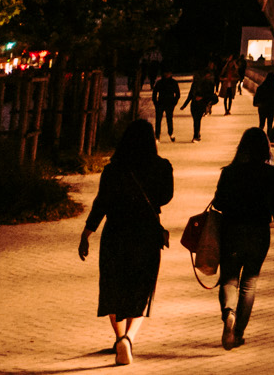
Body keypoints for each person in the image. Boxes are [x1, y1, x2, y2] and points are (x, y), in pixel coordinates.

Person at [79, 119, 175, 365]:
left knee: (114, 287)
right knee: (141, 289)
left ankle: (119, 337)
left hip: (116, 233)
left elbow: (101, 203)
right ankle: (129, 339)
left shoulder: (113, 169)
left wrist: (87, 233)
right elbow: (166, 197)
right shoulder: (162, 167)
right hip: (146, 233)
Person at [210, 127, 274, 349]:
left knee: (229, 278)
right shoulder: (273, 174)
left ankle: (229, 313)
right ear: (265, 149)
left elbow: (218, 203)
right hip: (258, 234)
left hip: (232, 231)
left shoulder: (230, 172)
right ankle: (237, 333)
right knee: (249, 283)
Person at [188, 67, 217, 142]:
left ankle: (196, 135)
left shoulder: (210, 84)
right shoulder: (195, 84)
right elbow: (190, 95)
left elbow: (210, 95)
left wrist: (202, 98)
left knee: (197, 120)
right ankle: (197, 134)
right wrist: (184, 105)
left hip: (202, 104)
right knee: (196, 120)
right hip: (194, 104)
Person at [152, 71, 182, 142]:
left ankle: (170, 133)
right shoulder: (160, 82)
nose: (167, 74)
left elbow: (177, 94)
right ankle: (157, 136)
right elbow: (154, 93)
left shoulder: (173, 82)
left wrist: (174, 102)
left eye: (168, 73)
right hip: (161, 103)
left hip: (169, 103)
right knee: (159, 120)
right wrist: (156, 103)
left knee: (169, 119)